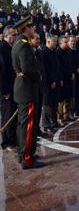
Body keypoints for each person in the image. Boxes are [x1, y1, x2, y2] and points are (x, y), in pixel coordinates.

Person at [11, 16, 45, 169]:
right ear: (25, 29)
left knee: (22, 125)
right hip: (27, 89)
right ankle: (27, 158)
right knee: (28, 125)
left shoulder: (18, 43)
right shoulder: (24, 45)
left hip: (22, 88)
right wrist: (38, 76)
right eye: (31, 27)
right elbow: (27, 69)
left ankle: (24, 153)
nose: (34, 30)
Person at [0, 25, 18, 152]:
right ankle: (6, 141)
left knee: (12, 113)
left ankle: (12, 138)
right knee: (7, 115)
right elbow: (1, 72)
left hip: (13, 87)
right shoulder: (1, 48)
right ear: (6, 35)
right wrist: (5, 91)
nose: (15, 37)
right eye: (13, 34)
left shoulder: (10, 48)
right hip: (6, 89)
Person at [42, 35, 62, 131]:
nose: (56, 43)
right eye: (54, 41)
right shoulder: (44, 53)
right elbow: (46, 69)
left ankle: (53, 122)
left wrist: (59, 79)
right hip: (48, 83)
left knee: (54, 103)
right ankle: (46, 125)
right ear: (48, 41)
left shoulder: (54, 52)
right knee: (47, 104)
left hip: (56, 82)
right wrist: (51, 81)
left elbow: (57, 67)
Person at [57, 36, 75, 124]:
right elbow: (60, 67)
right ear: (60, 43)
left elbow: (70, 64)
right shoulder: (58, 52)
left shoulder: (68, 52)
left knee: (68, 98)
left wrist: (72, 73)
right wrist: (68, 74)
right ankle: (60, 117)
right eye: (65, 42)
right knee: (62, 100)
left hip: (69, 78)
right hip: (62, 79)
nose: (67, 43)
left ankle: (66, 115)